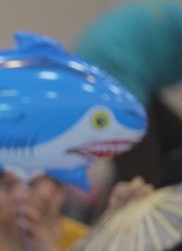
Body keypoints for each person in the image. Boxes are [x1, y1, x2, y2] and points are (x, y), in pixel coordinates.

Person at [74, 1, 182, 191]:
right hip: (111, 69)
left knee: (169, 146)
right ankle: (112, 218)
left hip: (112, 66)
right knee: (140, 181)